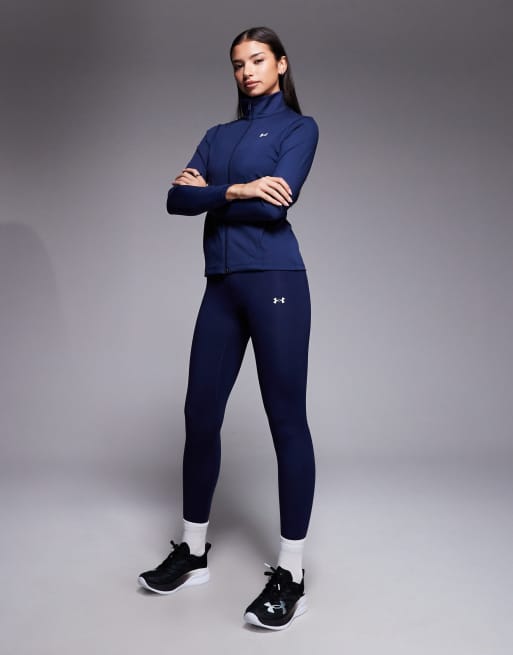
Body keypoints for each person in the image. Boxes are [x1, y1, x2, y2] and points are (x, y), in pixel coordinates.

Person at [137, 25, 319, 631]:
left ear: (281, 64)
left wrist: (212, 192)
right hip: (220, 287)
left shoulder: (299, 128)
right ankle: (193, 553)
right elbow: (174, 200)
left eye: (258, 60)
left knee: (286, 420)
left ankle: (291, 573)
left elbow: (275, 207)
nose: (247, 71)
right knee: (200, 415)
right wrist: (237, 187)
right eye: (239, 63)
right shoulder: (218, 135)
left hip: (275, 282)